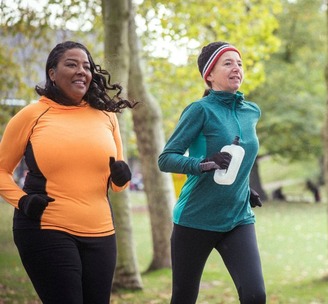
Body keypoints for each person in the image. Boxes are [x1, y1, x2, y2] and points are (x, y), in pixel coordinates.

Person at [0, 41, 137, 303]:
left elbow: (118, 184)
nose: (81, 71)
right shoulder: (31, 115)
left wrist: (122, 177)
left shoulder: (107, 117)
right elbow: (2, 170)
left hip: (101, 231)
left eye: (86, 66)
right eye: (71, 64)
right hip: (46, 226)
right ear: (52, 73)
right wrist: (23, 200)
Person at [158, 41, 265, 304]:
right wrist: (204, 163)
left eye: (239, 64)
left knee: (255, 296)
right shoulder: (200, 110)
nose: (236, 68)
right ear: (209, 75)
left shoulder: (251, 112)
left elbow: (241, 157)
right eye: (227, 63)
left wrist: (244, 187)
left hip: (238, 218)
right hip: (195, 219)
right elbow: (166, 159)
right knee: (183, 298)